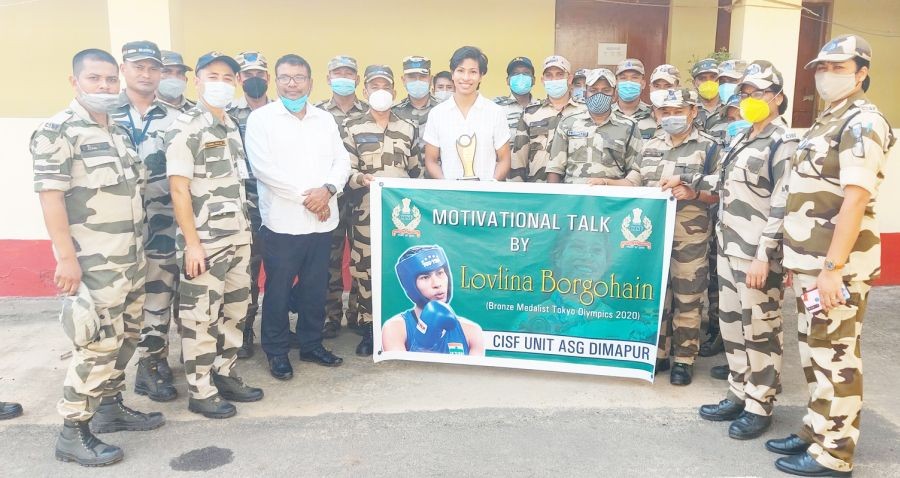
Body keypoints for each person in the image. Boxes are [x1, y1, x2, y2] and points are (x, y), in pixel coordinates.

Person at [768, 35, 895, 478]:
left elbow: (855, 200)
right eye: (822, 66)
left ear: (862, 71)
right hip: (811, 265)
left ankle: (835, 452)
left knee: (836, 355)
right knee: (813, 351)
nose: (827, 74)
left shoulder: (862, 122)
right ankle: (815, 427)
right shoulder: (828, 120)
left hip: (836, 269)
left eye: (839, 67)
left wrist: (831, 269)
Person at [33, 48, 164, 467]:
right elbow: (51, 199)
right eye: (95, 79)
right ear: (75, 82)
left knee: (127, 336)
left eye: (110, 80)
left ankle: (109, 406)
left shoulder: (119, 133)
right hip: (93, 263)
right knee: (96, 344)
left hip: (129, 257)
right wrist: (66, 259)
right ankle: (73, 431)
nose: (105, 86)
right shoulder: (58, 131)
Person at [667, 61, 796, 440]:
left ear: (777, 98)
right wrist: (687, 181)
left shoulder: (781, 142)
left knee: (761, 330)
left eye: (757, 93)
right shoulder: (743, 138)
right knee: (732, 325)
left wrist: (764, 255)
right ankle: (739, 392)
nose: (749, 99)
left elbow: (782, 203)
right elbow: (721, 182)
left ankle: (761, 403)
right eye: (745, 93)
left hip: (756, 253)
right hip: (727, 247)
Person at [166, 52, 264, 419]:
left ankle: (225, 373)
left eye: (227, 77)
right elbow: (179, 190)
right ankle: (200, 389)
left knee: (236, 312)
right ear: (198, 80)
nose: (220, 83)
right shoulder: (186, 127)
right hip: (205, 242)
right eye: (212, 76)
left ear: (237, 82)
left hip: (237, 236)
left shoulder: (230, 126)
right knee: (201, 317)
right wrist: (192, 244)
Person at [245, 54, 351, 380]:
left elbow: (342, 160)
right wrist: (310, 199)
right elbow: (264, 170)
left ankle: (311, 343)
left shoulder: (324, 119)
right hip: (283, 222)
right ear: (275, 82)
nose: (293, 84)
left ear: (310, 81)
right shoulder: (262, 119)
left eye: (299, 78)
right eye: (286, 78)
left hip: (322, 221)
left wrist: (329, 190)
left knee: (314, 288)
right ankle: (277, 351)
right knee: (277, 291)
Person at [111, 40, 180, 403]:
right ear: (124, 69)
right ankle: (106, 378)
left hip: (162, 225)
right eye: (138, 66)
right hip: (113, 231)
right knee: (114, 302)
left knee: (158, 293)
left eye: (153, 67)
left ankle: (153, 363)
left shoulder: (175, 118)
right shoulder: (103, 115)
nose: (146, 73)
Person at [638, 87, 720, 385]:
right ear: (658, 115)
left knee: (688, 296)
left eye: (678, 111)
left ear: (693, 112)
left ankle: (684, 360)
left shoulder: (709, 147)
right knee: (658, 295)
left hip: (691, 237)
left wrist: (694, 191)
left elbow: (721, 191)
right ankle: (659, 353)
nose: (672, 117)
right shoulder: (648, 145)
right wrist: (605, 183)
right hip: (653, 235)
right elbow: (636, 179)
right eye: (666, 112)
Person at [342, 64, 423, 356]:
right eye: (374, 87)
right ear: (365, 91)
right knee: (365, 270)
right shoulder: (351, 127)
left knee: (398, 267)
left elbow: (416, 173)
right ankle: (368, 329)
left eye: (385, 87)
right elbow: (345, 170)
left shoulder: (407, 127)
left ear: (394, 91)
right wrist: (360, 179)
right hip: (365, 213)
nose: (380, 92)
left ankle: (402, 326)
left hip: (401, 215)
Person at [314, 55, 367, 340]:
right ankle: (329, 316)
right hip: (330, 197)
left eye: (349, 72)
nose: (343, 77)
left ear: (357, 79)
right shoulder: (317, 113)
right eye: (338, 72)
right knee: (329, 258)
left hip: (362, 197)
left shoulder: (372, 111)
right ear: (328, 78)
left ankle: (359, 314)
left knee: (362, 258)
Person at [227, 51, 272, 359]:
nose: (254, 79)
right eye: (248, 74)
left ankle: (276, 326)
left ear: (267, 78)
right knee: (248, 270)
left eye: (260, 73)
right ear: (239, 79)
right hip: (246, 205)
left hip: (281, 204)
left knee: (282, 270)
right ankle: (244, 330)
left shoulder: (282, 112)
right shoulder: (228, 115)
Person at [423, 46, 511, 181]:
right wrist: (446, 185)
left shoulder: (495, 112)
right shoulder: (437, 114)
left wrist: (491, 184)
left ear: (481, 76)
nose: (466, 77)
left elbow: (504, 159)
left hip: (485, 198)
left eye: (473, 72)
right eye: (460, 71)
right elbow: (431, 160)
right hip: (450, 198)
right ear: (452, 74)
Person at [382, 245, 485, 356]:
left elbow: (473, 373)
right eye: (425, 277)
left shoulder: (472, 331)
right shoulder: (395, 328)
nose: (437, 284)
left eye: (440, 273)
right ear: (410, 285)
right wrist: (422, 345)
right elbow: (399, 371)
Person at [546, 68, 642, 185]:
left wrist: (608, 183)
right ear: (586, 94)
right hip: (574, 199)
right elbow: (555, 169)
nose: (599, 95)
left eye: (606, 90)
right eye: (593, 90)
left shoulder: (629, 126)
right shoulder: (567, 123)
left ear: (614, 95)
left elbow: (635, 170)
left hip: (612, 199)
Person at [509, 55, 585, 182]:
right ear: (542, 80)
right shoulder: (530, 113)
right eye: (549, 75)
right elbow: (518, 159)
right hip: (538, 191)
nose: (554, 79)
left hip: (575, 191)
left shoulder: (584, 111)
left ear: (569, 79)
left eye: (560, 74)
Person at [393, 55, 441, 144]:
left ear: (430, 80)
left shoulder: (443, 109)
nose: (417, 81)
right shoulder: (394, 112)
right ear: (403, 80)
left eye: (423, 76)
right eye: (411, 77)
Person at [612, 58, 657, 140]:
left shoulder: (654, 115)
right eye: (623, 78)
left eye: (634, 78)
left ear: (643, 84)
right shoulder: (606, 114)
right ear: (616, 83)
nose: (629, 82)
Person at [493, 56, 535, 141]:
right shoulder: (495, 108)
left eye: (526, 73)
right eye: (516, 74)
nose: (521, 77)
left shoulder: (543, 108)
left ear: (533, 80)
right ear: (508, 80)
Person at [692, 58, 724, 131]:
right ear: (694, 83)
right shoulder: (688, 108)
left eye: (713, 77)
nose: (708, 82)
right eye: (702, 78)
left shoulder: (729, 107)